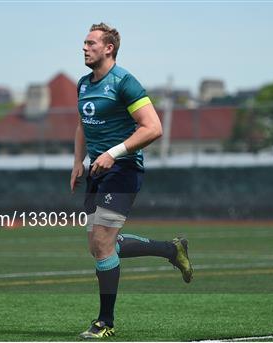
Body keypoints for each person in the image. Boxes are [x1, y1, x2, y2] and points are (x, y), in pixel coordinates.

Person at [70, 23, 194, 339]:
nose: (84, 48)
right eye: (83, 43)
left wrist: (114, 152)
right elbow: (83, 125)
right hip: (97, 172)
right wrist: (77, 162)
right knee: (99, 247)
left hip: (123, 170)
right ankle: (171, 249)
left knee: (102, 242)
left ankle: (105, 323)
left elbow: (153, 128)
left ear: (108, 48)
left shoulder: (124, 82)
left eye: (91, 43)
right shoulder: (84, 84)